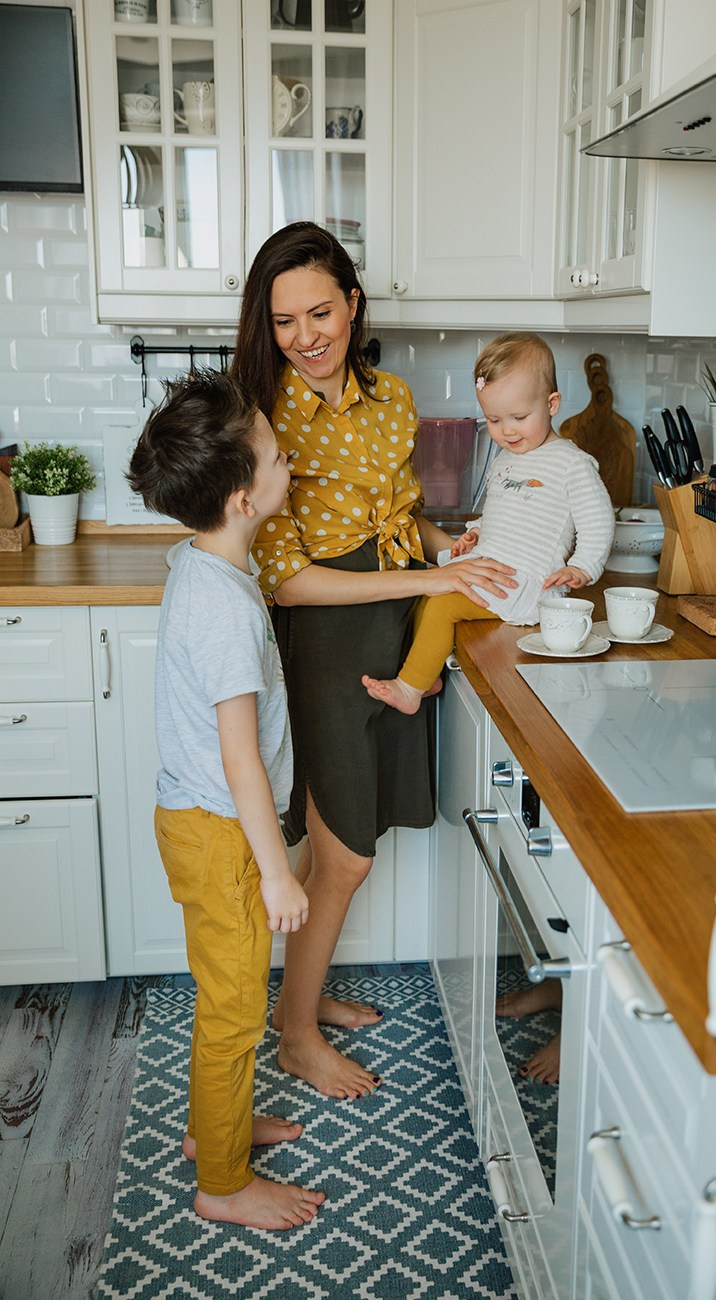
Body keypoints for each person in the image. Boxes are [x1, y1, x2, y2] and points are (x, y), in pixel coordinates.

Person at [230, 222, 517, 1101]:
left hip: (391, 622)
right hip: (322, 642)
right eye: (284, 321)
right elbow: (287, 581)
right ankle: (295, 1035)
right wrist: (429, 573)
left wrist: (454, 548)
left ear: (353, 305)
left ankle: (299, 1004)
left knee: (344, 846)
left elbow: (397, 521)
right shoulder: (266, 416)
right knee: (346, 853)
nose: (305, 336)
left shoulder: (392, 398)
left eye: (320, 311)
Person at [126, 370, 325, 1231]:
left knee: (227, 991)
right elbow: (242, 760)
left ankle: (222, 1133)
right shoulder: (228, 612)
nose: (291, 464)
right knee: (236, 1010)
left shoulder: (203, 561)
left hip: (199, 823)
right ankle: (222, 1185)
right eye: (280, 457)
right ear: (244, 497)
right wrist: (278, 872)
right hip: (221, 832)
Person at [362, 332, 616, 714]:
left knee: (444, 604)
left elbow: (598, 520)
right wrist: (477, 531)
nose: (507, 431)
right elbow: (505, 508)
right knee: (422, 594)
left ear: (552, 404)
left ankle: (410, 689)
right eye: (494, 420)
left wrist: (584, 566)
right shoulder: (508, 458)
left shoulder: (570, 463)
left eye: (519, 417)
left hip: (523, 581)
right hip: (492, 566)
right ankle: (425, 672)